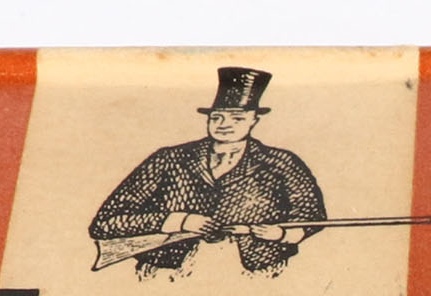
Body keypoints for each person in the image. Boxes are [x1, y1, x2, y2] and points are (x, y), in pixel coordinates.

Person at [90, 67, 326, 277]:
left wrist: (283, 235)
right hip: (166, 274)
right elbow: (106, 223)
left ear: (254, 120)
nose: (224, 124)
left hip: (257, 274)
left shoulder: (282, 162)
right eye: (217, 117)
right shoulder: (168, 159)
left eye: (237, 118)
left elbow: (311, 216)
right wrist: (179, 221)